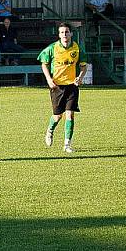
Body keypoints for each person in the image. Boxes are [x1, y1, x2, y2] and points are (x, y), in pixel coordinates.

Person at [38, 22, 87, 154]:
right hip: (57, 87)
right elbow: (44, 63)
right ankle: (50, 131)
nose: (64, 34)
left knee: (70, 114)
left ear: (71, 33)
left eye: (66, 32)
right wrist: (49, 79)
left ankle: (67, 144)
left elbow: (83, 66)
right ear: (59, 35)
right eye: (61, 32)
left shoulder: (77, 49)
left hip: (72, 85)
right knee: (57, 116)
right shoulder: (52, 48)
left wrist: (80, 77)